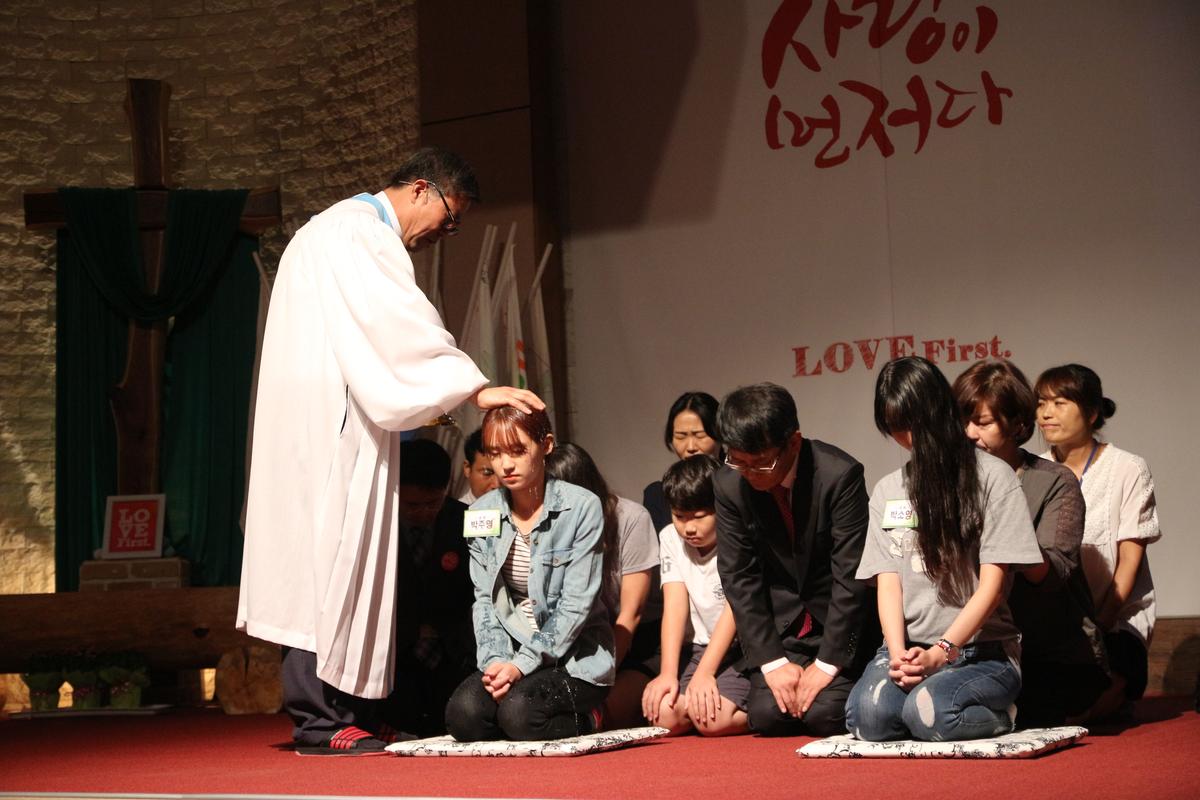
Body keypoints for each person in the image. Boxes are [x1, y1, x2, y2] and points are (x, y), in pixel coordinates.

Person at [236, 147, 543, 753]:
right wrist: (475, 388)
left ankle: (352, 710)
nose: (444, 233)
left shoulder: (335, 231)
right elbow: (399, 327)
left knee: (347, 568)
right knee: (328, 567)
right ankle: (322, 720)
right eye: (450, 219)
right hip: (330, 432)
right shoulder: (358, 232)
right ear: (422, 188)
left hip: (331, 423)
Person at [846, 357, 1043, 742]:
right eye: (897, 426)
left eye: (916, 422)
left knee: (930, 713)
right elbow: (888, 582)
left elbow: (992, 586)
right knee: (867, 720)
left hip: (980, 653)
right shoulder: (889, 490)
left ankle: (1002, 716)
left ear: (940, 411)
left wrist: (942, 651)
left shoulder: (993, 477)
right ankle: (916, 704)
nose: (909, 436)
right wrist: (898, 654)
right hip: (909, 650)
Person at [714, 382, 878, 737]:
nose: (749, 473)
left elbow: (850, 575)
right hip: (783, 631)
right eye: (738, 461)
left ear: (794, 442)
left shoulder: (839, 475)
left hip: (835, 626)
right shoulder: (729, 484)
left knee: (824, 715)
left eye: (761, 463)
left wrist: (828, 663)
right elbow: (738, 577)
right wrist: (772, 662)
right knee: (769, 716)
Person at [953, 360, 1110, 726]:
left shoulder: (1054, 481)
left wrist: (1005, 521)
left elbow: (1051, 575)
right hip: (969, 642)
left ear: (1018, 424)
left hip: (1045, 648)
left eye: (983, 423)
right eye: (964, 421)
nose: (969, 433)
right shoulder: (952, 482)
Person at [444, 407, 614, 741]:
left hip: (574, 658)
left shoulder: (581, 507)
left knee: (520, 715)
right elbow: (484, 599)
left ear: (546, 445)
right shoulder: (480, 512)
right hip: (509, 652)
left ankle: (590, 716)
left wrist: (522, 664)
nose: (505, 464)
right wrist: (496, 662)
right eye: (495, 453)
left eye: (517, 451)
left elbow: (575, 605)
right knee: (464, 717)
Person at [1035, 363, 1161, 720]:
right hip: (1054, 622)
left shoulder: (1127, 468)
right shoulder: (1033, 469)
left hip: (1115, 618)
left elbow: (1129, 561)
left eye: (1059, 403)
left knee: (1090, 708)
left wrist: (1100, 625)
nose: (1046, 413)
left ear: (1091, 413)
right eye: (1041, 402)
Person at [547, 442, 661, 729]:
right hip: (578, 641)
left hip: (634, 642)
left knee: (602, 711)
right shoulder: (547, 523)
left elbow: (631, 615)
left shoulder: (630, 518)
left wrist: (596, 679)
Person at [643, 455, 750, 737]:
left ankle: (763, 713)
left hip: (740, 648)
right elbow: (674, 607)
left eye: (700, 517)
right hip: (699, 647)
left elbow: (735, 607)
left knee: (713, 721)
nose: (689, 528)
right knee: (664, 716)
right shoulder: (670, 537)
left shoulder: (737, 534)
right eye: (680, 516)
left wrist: (706, 673)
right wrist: (667, 673)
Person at [385, 439, 475, 737]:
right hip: (395, 655)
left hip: (453, 652)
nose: (423, 512)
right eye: (412, 505)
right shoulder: (378, 524)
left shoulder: (468, 520)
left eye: (433, 503)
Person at [642, 392, 722, 531]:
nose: (690, 447)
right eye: (680, 436)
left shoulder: (738, 486)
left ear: (721, 435)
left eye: (700, 436)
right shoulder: (658, 495)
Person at [458, 428, 498, 505]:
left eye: (503, 475)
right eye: (487, 473)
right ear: (467, 469)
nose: (496, 484)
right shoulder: (457, 511)